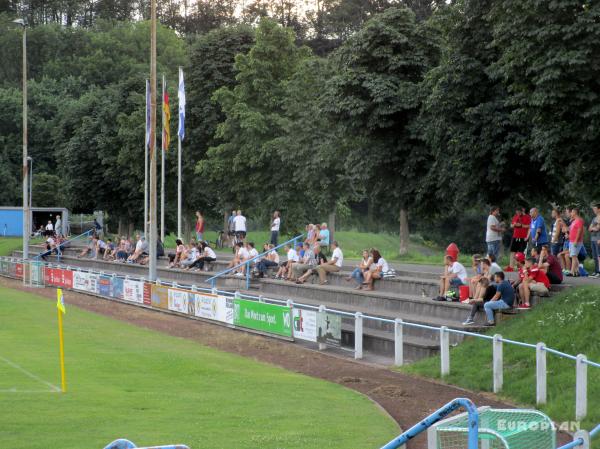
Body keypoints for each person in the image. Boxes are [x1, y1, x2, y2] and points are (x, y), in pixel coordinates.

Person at [507, 207, 531, 271]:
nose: (517, 213)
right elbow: (511, 225)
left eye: (519, 212)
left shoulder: (527, 217)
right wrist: (514, 225)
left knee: (521, 252)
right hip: (515, 236)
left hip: (523, 237)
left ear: (522, 211)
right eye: (516, 212)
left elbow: (529, 226)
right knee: (512, 251)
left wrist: (521, 225)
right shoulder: (515, 216)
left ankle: (520, 267)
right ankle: (511, 267)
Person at [568, 207, 585, 277]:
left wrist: (576, 240)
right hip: (571, 241)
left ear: (575, 212)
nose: (571, 213)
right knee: (573, 256)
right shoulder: (574, 221)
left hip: (576, 241)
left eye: (572, 212)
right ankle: (577, 271)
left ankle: (572, 272)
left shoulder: (579, 220)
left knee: (574, 256)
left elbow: (579, 231)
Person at [588, 204, 600, 278]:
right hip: (592, 239)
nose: (594, 210)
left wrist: (594, 227)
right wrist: (594, 227)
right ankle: (596, 271)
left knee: (599, 256)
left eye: (595, 209)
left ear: (599, 209)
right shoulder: (594, 218)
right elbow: (589, 229)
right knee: (595, 256)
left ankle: (599, 271)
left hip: (598, 239)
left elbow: (597, 229)